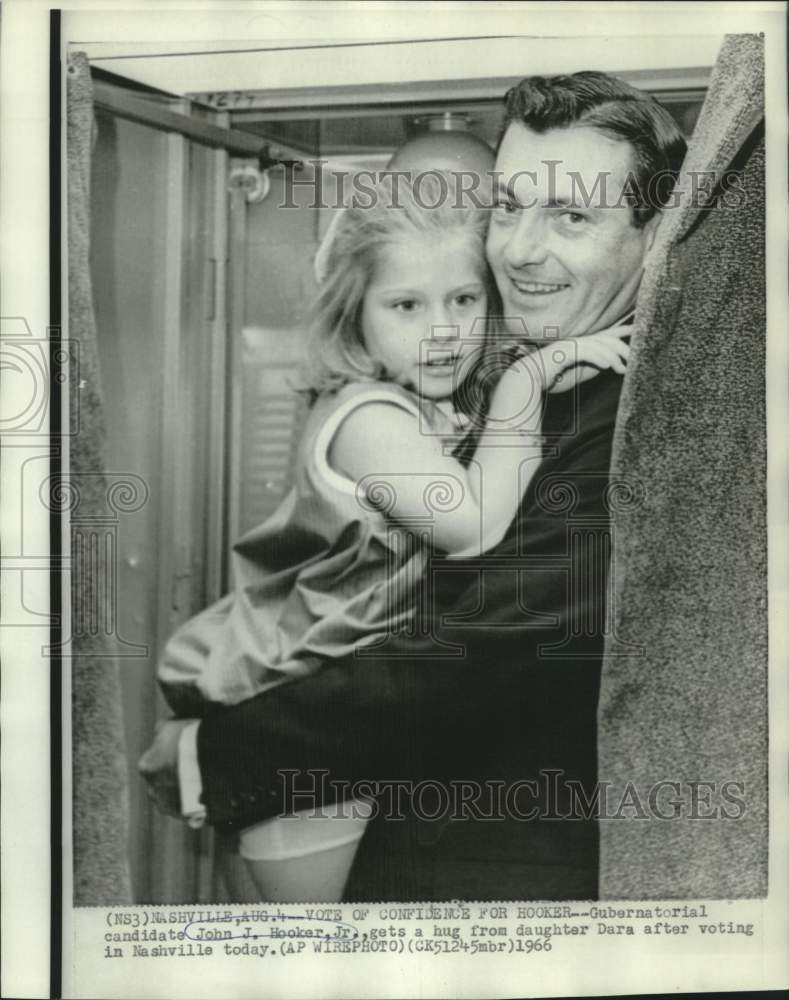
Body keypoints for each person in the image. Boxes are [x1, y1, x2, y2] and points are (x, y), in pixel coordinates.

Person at [141, 71, 687, 901]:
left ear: (657, 232)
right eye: (507, 207)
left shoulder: (634, 416)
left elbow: (474, 658)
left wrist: (211, 756)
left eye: (570, 215)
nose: (520, 250)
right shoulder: (496, 386)